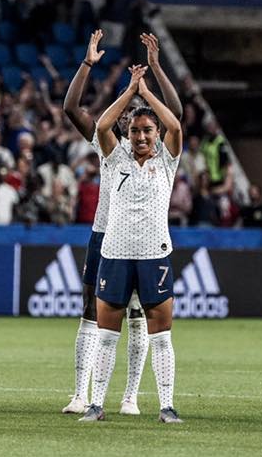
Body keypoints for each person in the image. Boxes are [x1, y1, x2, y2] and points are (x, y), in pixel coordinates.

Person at [61, 29, 183, 417]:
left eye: (148, 130)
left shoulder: (164, 156)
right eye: (135, 130)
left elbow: (175, 120)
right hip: (108, 237)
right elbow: (83, 115)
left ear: (156, 134)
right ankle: (84, 395)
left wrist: (150, 81)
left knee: (140, 319)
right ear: (126, 133)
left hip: (149, 246)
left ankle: (131, 396)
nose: (142, 135)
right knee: (93, 314)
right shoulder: (112, 149)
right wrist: (103, 74)